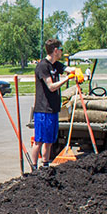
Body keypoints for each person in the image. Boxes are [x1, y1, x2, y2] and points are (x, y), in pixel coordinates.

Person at [29, 39, 80, 169]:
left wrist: (77, 72)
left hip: (53, 109)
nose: (62, 52)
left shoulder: (55, 65)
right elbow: (51, 86)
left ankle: (45, 165)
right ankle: (34, 167)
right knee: (39, 140)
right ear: (55, 50)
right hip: (43, 109)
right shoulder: (43, 66)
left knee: (50, 140)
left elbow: (68, 69)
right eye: (61, 49)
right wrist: (67, 79)